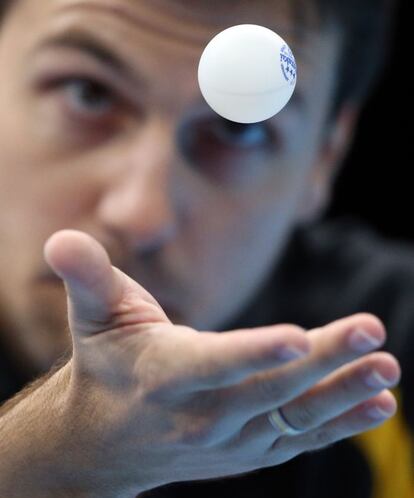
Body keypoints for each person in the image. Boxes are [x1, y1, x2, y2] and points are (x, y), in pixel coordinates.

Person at [0, 0, 411, 497]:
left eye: (241, 128)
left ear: (326, 159)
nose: (140, 215)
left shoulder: (394, 347)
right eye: (89, 93)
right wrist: (37, 466)